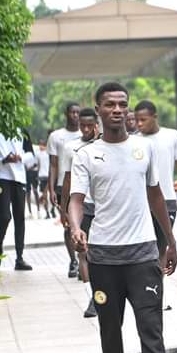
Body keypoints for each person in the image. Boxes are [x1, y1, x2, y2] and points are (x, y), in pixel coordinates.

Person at [68, 82, 177, 353]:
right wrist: (75, 227)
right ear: (98, 109)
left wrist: (171, 241)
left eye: (122, 104)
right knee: (110, 331)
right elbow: (75, 199)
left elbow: (157, 197)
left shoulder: (143, 149)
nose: (117, 110)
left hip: (144, 255)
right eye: (110, 105)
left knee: (152, 332)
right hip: (104, 258)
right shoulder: (87, 155)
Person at [135, 100, 177, 309]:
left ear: (155, 116)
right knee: (147, 249)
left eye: (143, 119)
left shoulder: (171, 136)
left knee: (161, 249)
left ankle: (157, 296)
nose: (139, 124)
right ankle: (147, 291)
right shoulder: (134, 141)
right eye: (136, 120)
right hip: (142, 202)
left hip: (168, 201)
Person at [60, 107, 100, 318]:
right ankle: (92, 297)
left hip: (102, 207)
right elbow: (67, 179)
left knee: (98, 253)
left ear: (96, 125)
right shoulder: (71, 148)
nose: (85, 129)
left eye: (89, 125)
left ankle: (102, 294)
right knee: (83, 252)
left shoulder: (105, 145)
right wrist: (64, 208)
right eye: (82, 125)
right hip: (82, 206)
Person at [0, 128, 35, 271]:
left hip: (19, 178)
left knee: (20, 217)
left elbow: (31, 154)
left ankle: (19, 258)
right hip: (2, 178)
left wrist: (20, 158)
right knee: (5, 216)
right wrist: (3, 160)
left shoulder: (22, 130)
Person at [48, 103, 82, 278]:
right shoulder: (56, 136)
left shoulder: (87, 134)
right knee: (69, 226)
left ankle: (84, 260)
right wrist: (51, 188)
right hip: (63, 186)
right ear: (66, 114)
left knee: (85, 224)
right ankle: (73, 261)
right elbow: (53, 164)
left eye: (78, 112)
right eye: (72, 112)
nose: (75, 115)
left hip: (83, 186)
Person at [36, 139, 53, 219]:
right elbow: (38, 165)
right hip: (41, 176)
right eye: (40, 144)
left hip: (48, 176)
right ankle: (48, 212)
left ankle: (51, 211)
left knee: (47, 195)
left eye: (42, 145)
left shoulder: (48, 154)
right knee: (45, 196)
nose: (41, 146)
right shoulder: (38, 154)